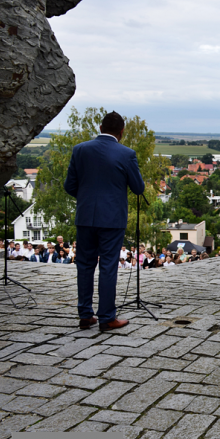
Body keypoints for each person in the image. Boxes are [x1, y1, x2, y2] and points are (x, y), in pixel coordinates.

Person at [64, 111, 145, 331]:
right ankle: (107, 318)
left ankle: (85, 315)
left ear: (100, 128)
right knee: (108, 266)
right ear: (122, 132)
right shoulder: (127, 153)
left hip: (85, 216)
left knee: (85, 265)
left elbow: (69, 186)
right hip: (112, 219)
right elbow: (138, 188)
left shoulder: (80, 150)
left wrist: (87, 199)